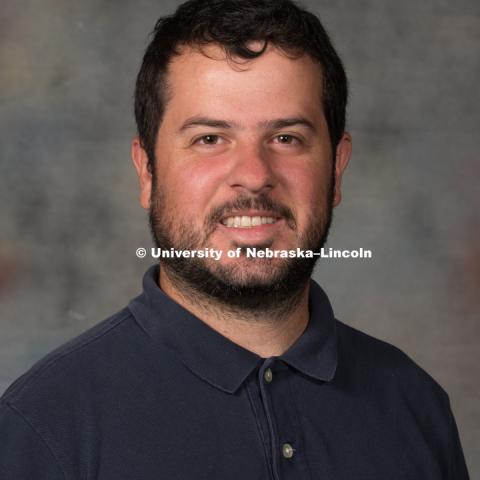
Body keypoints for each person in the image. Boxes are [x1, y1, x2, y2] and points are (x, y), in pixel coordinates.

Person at [0, 0, 470, 478]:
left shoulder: (416, 408)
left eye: (286, 138)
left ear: (336, 168)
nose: (253, 175)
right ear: (147, 172)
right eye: (210, 139)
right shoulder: (45, 427)